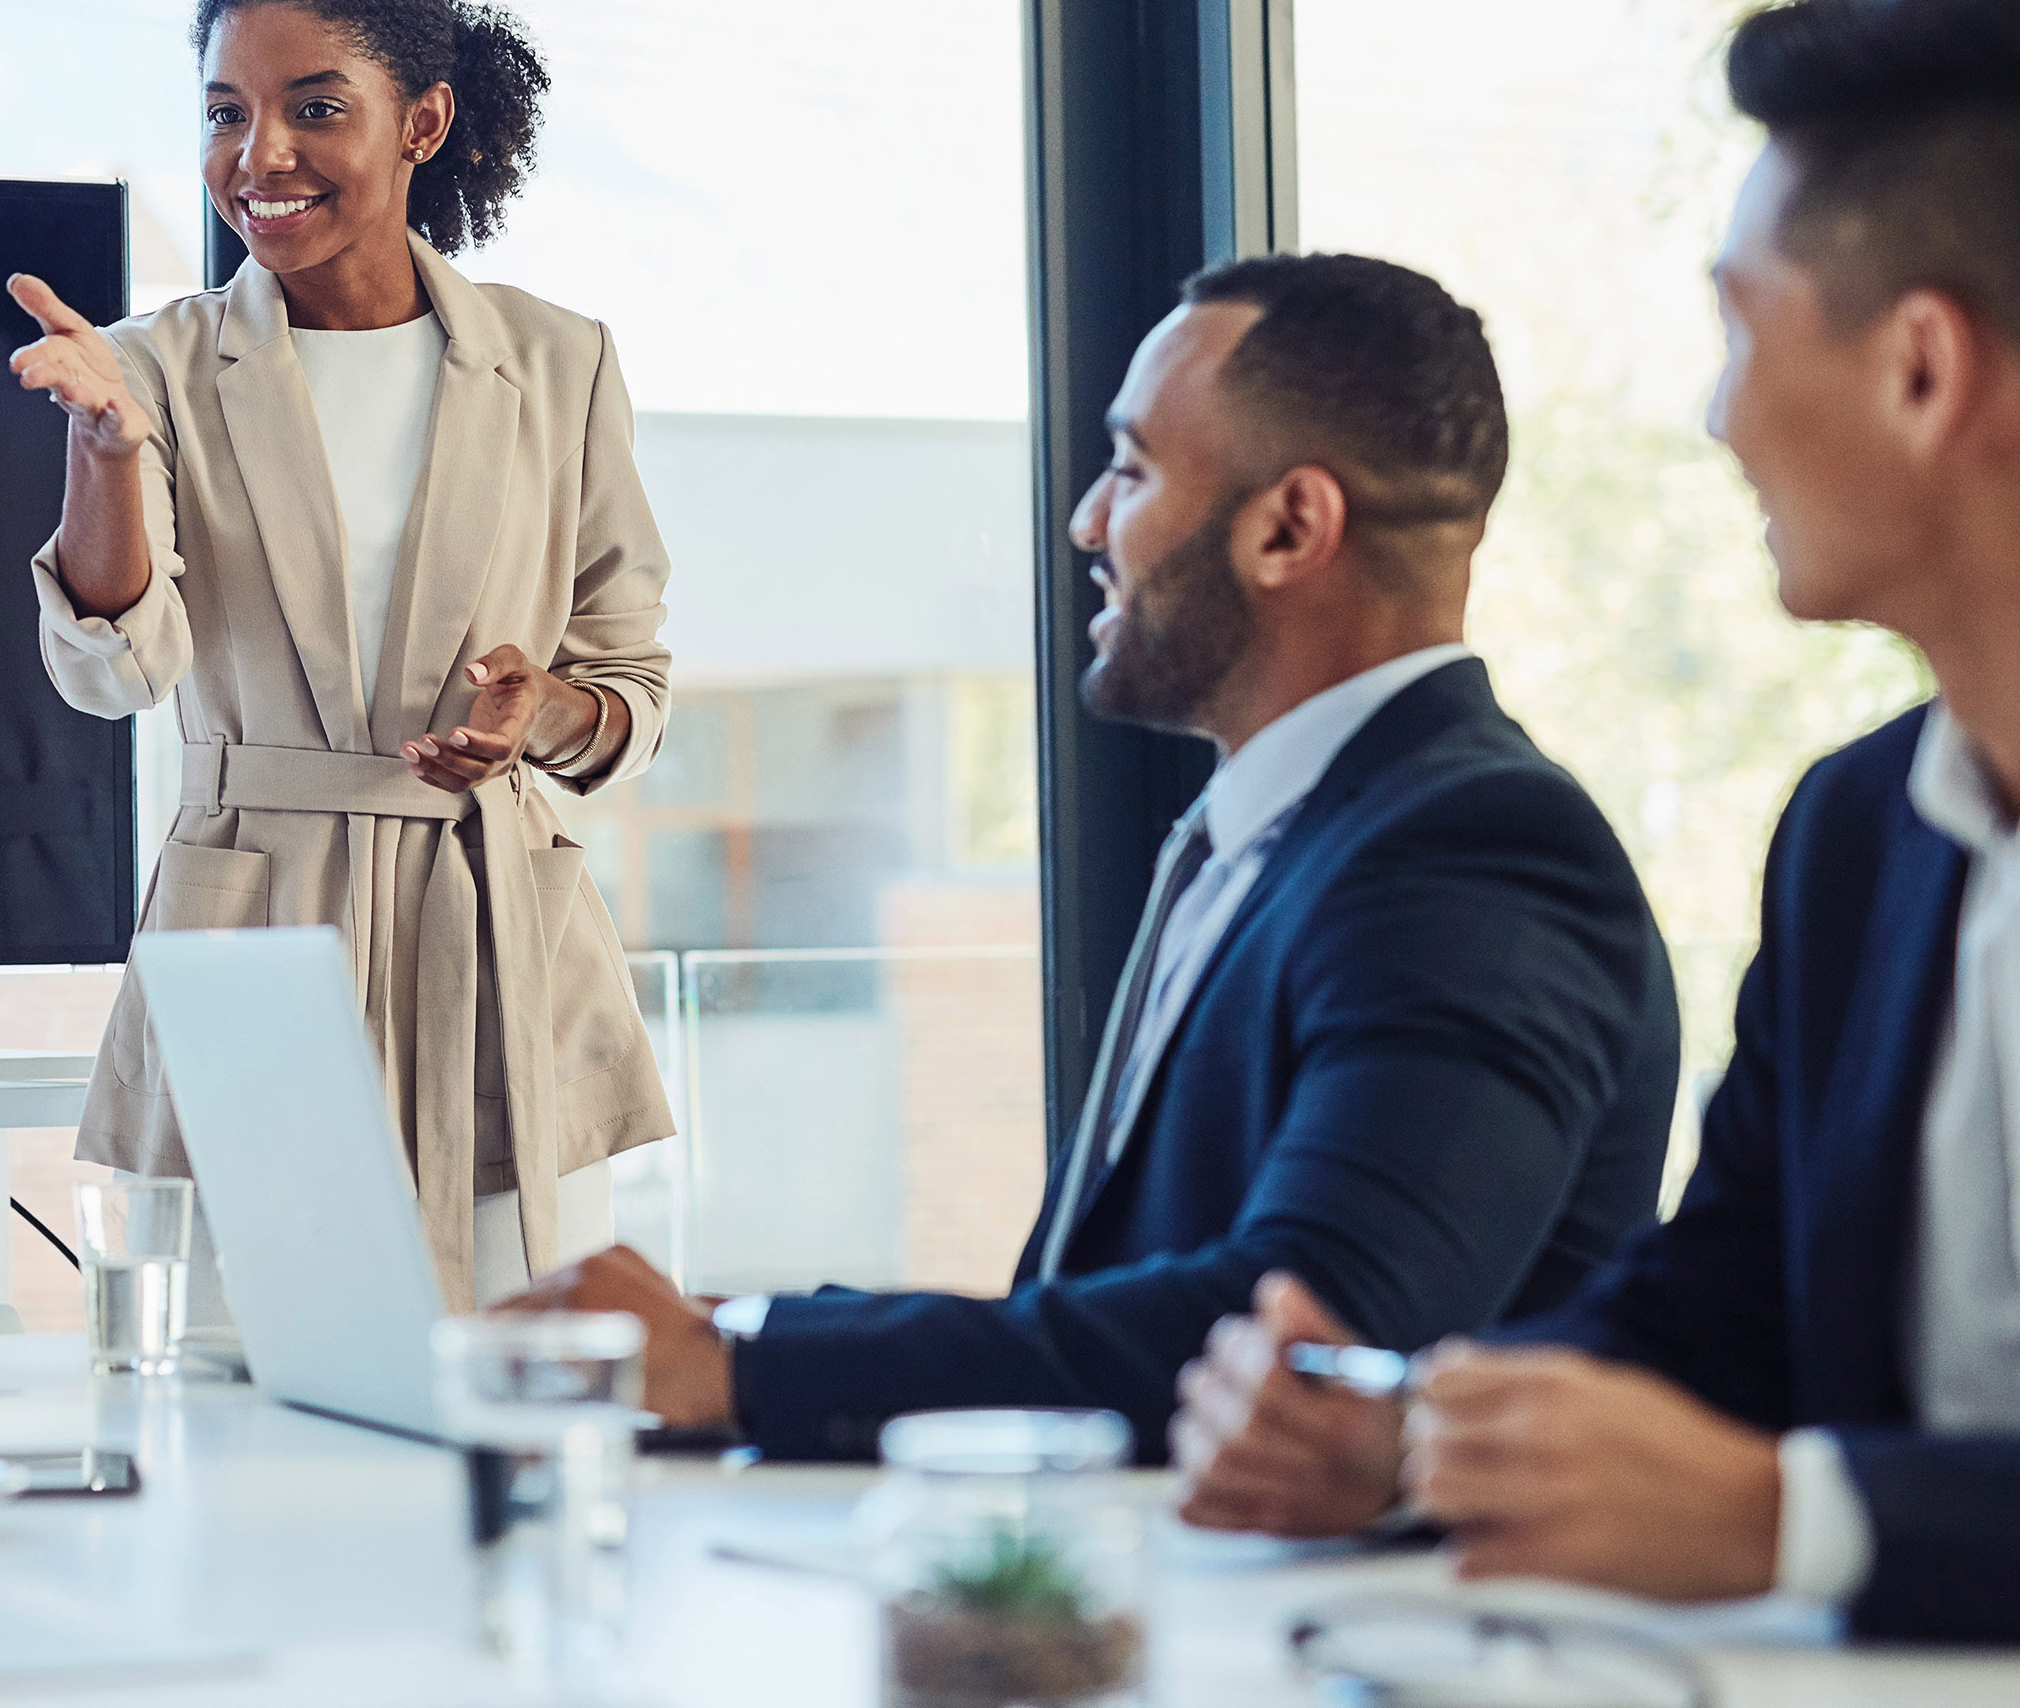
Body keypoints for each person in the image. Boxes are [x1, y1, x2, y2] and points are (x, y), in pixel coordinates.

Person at [1172, 0, 2020, 1645]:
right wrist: (1416, 1435)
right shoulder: (1857, 835)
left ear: (1922, 371)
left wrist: (1798, 1521)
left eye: (1741, 329)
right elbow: (1718, 1309)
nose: (1716, 415)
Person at [503, 254, 1679, 1459]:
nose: (1087, 521)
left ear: (1288, 527)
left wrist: (745, 1367)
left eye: (1132, 469)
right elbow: (1108, 1298)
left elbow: (1298, 1341)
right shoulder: (1279, 836)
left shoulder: (1477, 854)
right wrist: (728, 1330)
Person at [8, 0, 676, 1308]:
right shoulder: (150, 368)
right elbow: (114, 671)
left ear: (423, 119)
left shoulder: (560, 362)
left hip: (498, 937)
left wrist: (536, 715)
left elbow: (624, 681)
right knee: (247, 1393)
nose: (262, 156)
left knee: (519, 1383)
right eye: (227, 113)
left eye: (316, 108)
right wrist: (108, 453)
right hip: (254, 930)